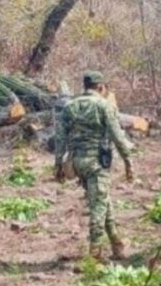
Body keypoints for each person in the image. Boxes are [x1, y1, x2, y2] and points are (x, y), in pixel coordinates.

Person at [54, 70, 134, 260]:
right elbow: (118, 137)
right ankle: (95, 252)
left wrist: (58, 164)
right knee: (98, 206)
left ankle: (116, 243)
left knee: (101, 200)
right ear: (101, 87)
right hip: (97, 163)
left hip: (76, 162)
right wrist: (128, 162)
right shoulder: (104, 106)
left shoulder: (69, 106)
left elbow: (59, 138)